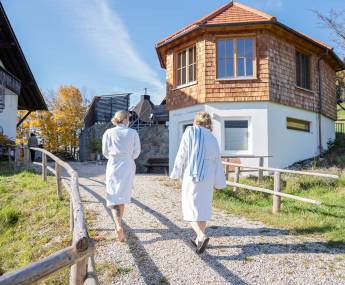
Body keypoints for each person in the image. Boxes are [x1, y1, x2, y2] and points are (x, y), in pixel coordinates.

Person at [170, 112, 226, 254]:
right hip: (208, 175)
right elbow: (217, 161)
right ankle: (199, 240)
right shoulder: (212, 138)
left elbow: (182, 154)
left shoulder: (190, 132)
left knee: (189, 206)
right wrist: (219, 182)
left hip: (193, 173)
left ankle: (201, 235)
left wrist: (175, 173)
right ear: (209, 124)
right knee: (203, 207)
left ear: (196, 121)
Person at [102, 111, 141, 242]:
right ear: (125, 120)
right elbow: (137, 153)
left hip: (113, 164)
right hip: (127, 165)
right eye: (128, 119)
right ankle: (119, 223)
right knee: (122, 196)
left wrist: (115, 156)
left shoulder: (108, 133)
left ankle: (117, 225)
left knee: (113, 195)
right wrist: (127, 156)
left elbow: (105, 152)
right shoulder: (133, 133)